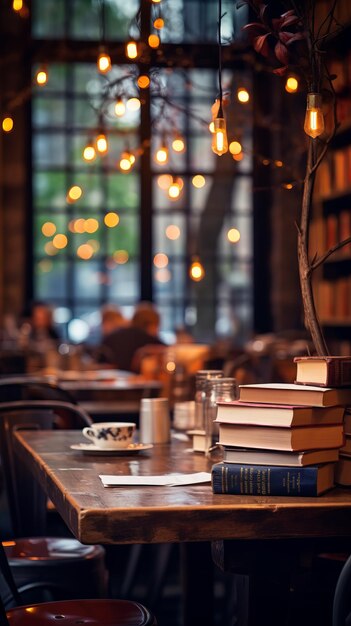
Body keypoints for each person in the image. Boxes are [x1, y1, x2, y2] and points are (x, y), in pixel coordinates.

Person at [99, 301, 165, 373]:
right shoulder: (149, 340)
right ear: (151, 324)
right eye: (157, 326)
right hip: (139, 380)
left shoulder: (112, 337)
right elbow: (169, 351)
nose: (157, 330)